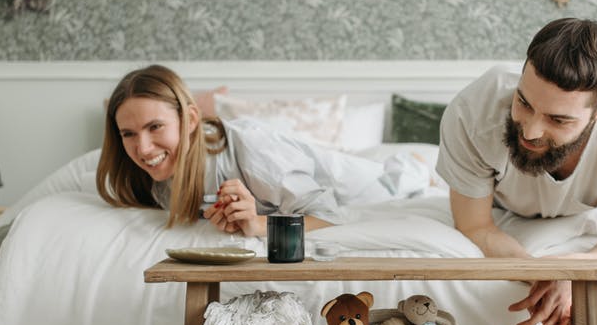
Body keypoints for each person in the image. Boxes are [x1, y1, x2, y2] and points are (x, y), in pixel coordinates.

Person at [436, 18, 597, 325]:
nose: (530, 130)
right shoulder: (471, 112)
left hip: (594, 208)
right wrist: (542, 273)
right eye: (523, 102)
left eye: (558, 119)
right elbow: (476, 226)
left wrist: (574, 273)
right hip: (500, 206)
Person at [97, 64, 427, 236]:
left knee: (397, 179)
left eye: (155, 127)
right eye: (128, 133)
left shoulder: (251, 150)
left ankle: (412, 163)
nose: (142, 147)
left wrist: (258, 225)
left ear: (191, 119)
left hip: (358, 187)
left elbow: (328, 213)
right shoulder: (148, 175)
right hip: (305, 171)